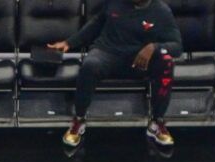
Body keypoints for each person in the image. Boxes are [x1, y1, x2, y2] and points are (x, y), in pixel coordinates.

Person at [52, 0, 183, 153]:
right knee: (89, 65)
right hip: (107, 52)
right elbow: (96, 24)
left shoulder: (161, 11)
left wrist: (154, 47)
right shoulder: (114, 3)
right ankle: (79, 120)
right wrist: (69, 42)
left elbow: (177, 47)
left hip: (138, 60)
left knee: (166, 62)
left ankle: (157, 122)